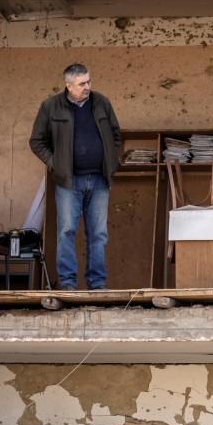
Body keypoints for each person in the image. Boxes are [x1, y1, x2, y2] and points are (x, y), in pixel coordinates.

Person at [29, 64, 122, 290]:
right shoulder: (50, 106)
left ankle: (97, 283)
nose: (88, 87)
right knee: (66, 231)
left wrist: (113, 161)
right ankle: (68, 284)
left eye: (89, 81)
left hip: (99, 180)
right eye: (82, 84)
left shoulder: (102, 103)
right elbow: (36, 142)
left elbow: (115, 135)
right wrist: (56, 165)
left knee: (98, 234)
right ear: (68, 86)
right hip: (68, 181)